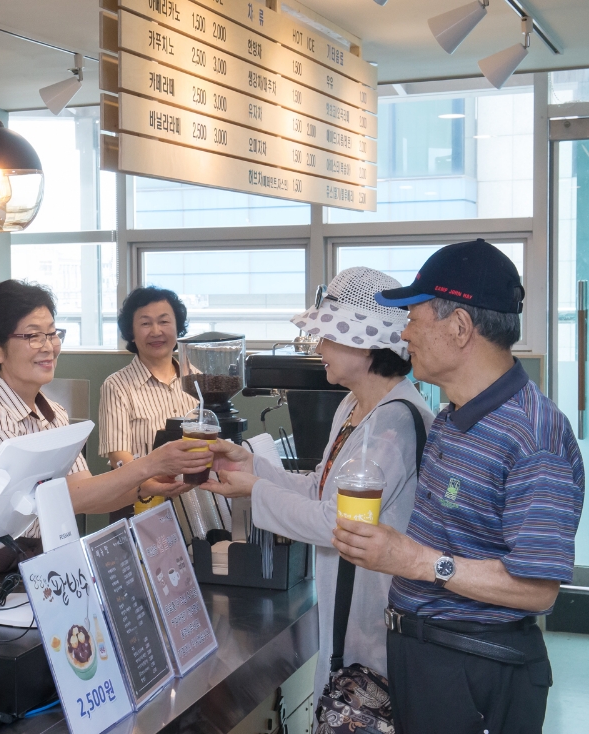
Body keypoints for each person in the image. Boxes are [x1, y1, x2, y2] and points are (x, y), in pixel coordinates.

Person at [331, 240, 585, 734]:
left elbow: (537, 589)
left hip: (476, 670)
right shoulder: (452, 417)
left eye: (414, 318)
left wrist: (415, 561)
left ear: (460, 327)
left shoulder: (535, 436)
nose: (403, 334)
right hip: (425, 657)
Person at [201, 267, 434, 700]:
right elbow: (319, 488)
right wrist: (251, 466)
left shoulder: (394, 424)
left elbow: (335, 521)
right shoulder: (354, 405)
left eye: (328, 335)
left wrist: (253, 489)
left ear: (365, 344)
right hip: (345, 612)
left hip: (374, 629)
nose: (319, 346)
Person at [0, 280, 210, 584]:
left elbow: (86, 492)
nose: (49, 346)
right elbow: (66, 498)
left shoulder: (55, 414)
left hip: (26, 569)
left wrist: (146, 486)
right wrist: (150, 465)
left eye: (51, 333)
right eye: (33, 335)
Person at [99, 286, 198, 515]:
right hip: (140, 502)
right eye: (145, 323)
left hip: (194, 502)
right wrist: (151, 484)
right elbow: (118, 456)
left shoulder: (197, 380)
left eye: (164, 322)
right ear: (131, 333)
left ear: (177, 326)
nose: (156, 332)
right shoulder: (116, 386)